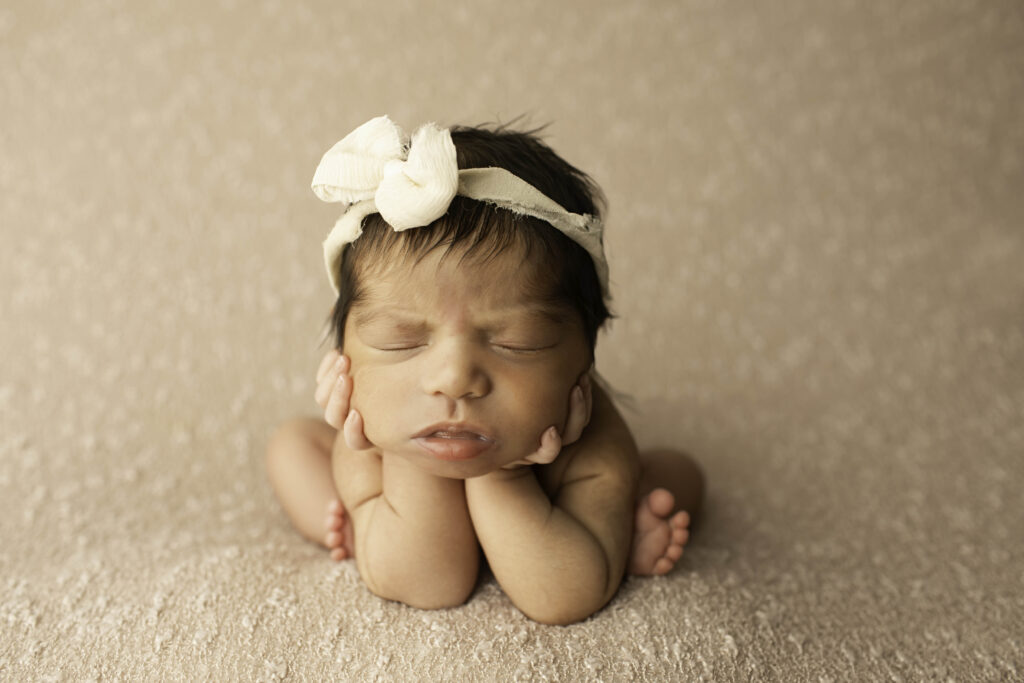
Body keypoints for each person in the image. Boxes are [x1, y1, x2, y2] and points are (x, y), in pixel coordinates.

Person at [266, 116, 705, 625]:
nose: (452, 379)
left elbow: (564, 596)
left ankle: (612, 530)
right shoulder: (368, 440)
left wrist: (508, 477)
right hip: (388, 464)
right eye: (401, 341)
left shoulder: (592, 448)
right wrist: (405, 460)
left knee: (677, 476)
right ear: (343, 353)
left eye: (515, 342)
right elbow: (429, 582)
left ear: (584, 365)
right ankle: (346, 520)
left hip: (555, 482)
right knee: (291, 445)